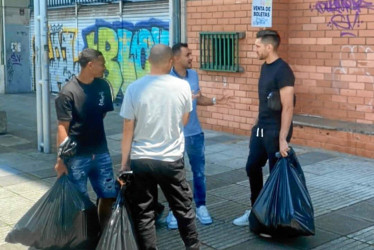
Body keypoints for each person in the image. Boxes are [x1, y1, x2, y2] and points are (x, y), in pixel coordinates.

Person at [119, 44, 200, 250]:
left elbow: (128, 128)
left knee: (144, 213)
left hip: (141, 159)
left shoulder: (134, 88)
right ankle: (192, 247)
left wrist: (123, 164)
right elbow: (184, 119)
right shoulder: (182, 87)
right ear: (171, 61)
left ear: (148, 62)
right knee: (183, 208)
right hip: (170, 159)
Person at [165, 43, 231, 229]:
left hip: (194, 133)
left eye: (191, 54)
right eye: (188, 55)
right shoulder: (167, 78)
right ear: (176, 58)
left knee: (199, 173)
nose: (192, 57)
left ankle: (201, 206)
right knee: (175, 175)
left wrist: (215, 100)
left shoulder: (193, 75)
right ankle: (174, 210)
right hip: (174, 136)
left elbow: (198, 97)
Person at [233, 30, 295, 227]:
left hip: (276, 131)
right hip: (261, 129)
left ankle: (275, 218)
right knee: (252, 166)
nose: (255, 49)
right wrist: (256, 123)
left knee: (275, 173)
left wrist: (283, 139)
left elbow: (288, 106)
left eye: (257, 46)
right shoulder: (264, 68)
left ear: (269, 47)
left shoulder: (283, 70)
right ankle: (256, 210)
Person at [54, 48, 117, 231]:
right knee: (78, 200)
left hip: (101, 152)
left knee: (108, 195)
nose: (104, 67)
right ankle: (80, 235)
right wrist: (60, 161)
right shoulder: (68, 92)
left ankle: (104, 231)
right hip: (77, 156)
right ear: (90, 65)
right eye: (102, 63)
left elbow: (101, 113)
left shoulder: (103, 86)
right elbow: (62, 127)